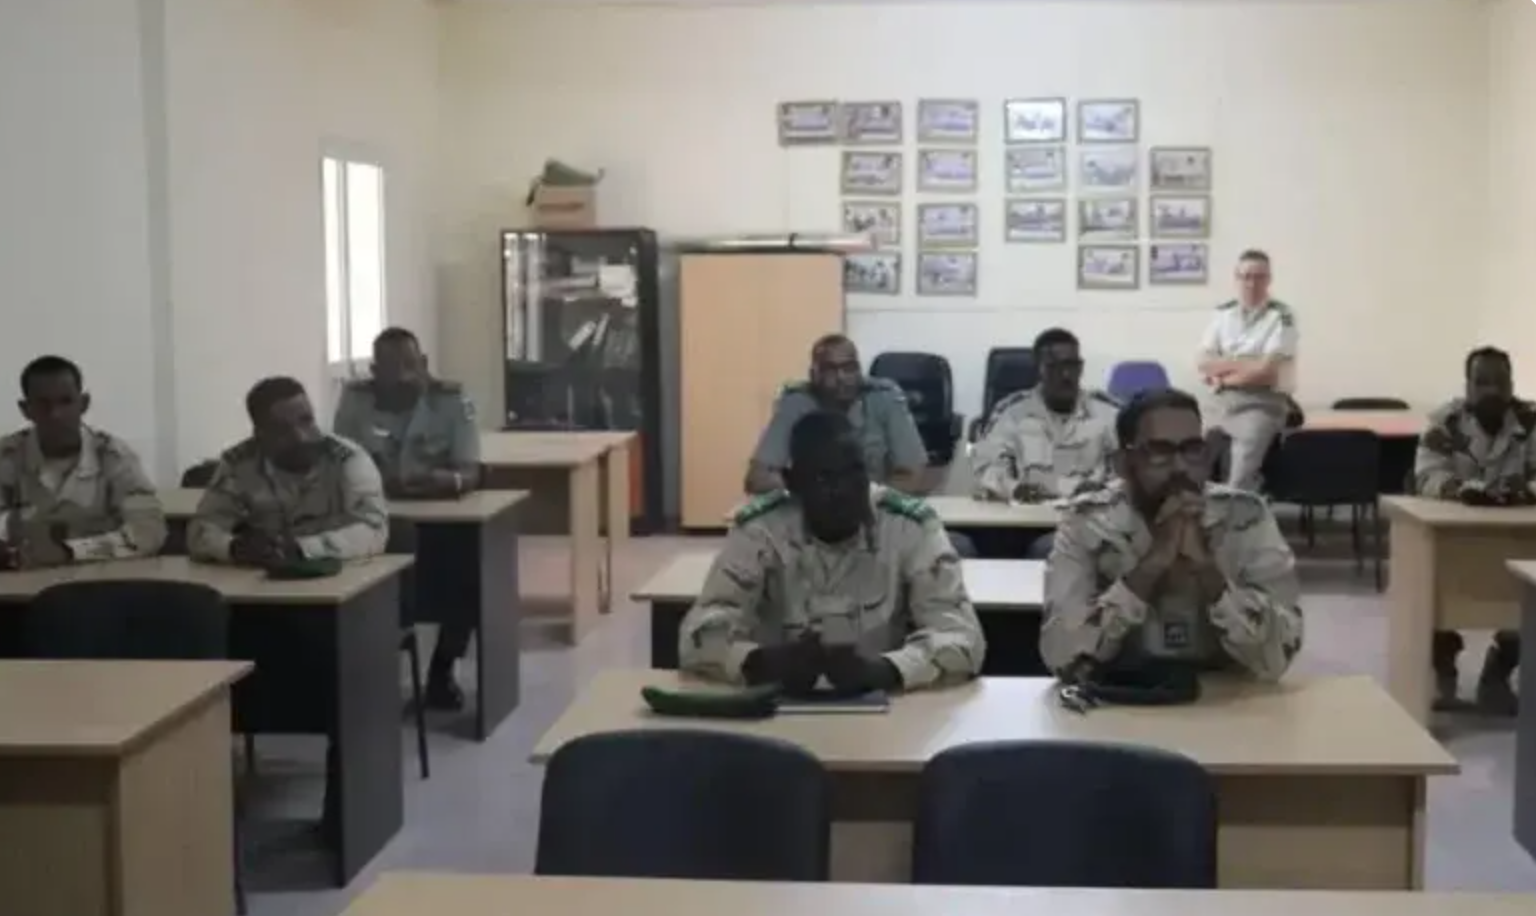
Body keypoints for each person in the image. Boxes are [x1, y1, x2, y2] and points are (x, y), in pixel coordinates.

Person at [680, 410, 986, 692]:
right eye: (824, 478)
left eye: (854, 473)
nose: (844, 490)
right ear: (792, 484)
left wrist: (887, 669)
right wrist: (758, 662)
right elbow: (698, 635)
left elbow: (964, 639)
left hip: (886, 709)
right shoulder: (760, 530)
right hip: (776, 704)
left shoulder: (909, 527)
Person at [1040, 388, 1303, 680]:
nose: (1180, 467)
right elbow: (1062, 656)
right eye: (1159, 452)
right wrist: (1150, 567)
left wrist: (1207, 571)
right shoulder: (1085, 521)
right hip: (1123, 701)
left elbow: (1279, 654)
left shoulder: (1246, 516)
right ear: (1123, 464)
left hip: (1228, 702)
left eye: (1192, 449)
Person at [333, 327, 481, 710]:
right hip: (371, 516)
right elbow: (338, 463)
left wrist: (437, 482)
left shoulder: (450, 400)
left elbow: (471, 470)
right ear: (372, 370)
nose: (401, 376)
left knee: (467, 566)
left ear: (425, 365)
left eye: (410, 366)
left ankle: (441, 670)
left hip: (439, 520)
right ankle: (362, 673)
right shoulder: (356, 401)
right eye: (389, 367)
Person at [1415, 346, 1532, 715]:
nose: (1492, 391)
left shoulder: (1530, 422)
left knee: (1528, 600)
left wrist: (1524, 492)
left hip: (1518, 538)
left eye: (1500, 382)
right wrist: (1457, 490)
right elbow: (1427, 475)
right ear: (1467, 386)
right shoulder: (1445, 422)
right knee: (1429, 589)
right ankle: (1442, 669)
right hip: (1454, 537)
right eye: (1482, 382)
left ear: (1512, 383)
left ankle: (1498, 674)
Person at [188, 376, 388, 565]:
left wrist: (303, 548)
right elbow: (200, 531)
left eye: (306, 421)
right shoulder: (239, 464)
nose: (301, 437)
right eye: (282, 429)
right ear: (260, 435)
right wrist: (234, 548)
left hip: (336, 577)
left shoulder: (346, 459)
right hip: (261, 583)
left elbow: (374, 530)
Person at [0, 355, 166, 568]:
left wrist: (68, 551)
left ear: (84, 403)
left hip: (98, 581)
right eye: (43, 404)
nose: (55, 414)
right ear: (25, 409)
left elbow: (148, 533)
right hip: (18, 584)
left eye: (66, 401)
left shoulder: (114, 457)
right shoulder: (7, 457)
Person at [971, 328, 1118, 559]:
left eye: (1072, 365)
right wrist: (1014, 488)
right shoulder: (1012, 413)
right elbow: (986, 467)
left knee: (1055, 549)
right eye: (1054, 367)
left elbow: (1129, 471)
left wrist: (1104, 491)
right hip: (1026, 525)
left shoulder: (1108, 415)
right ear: (1039, 369)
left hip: (1091, 522)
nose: (1066, 375)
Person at [745, 334, 928, 496]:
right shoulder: (796, 403)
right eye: (830, 369)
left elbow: (913, 474)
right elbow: (758, 478)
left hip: (875, 509)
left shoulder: (884, 398)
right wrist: (802, 497)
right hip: (812, 512)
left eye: (849, 368)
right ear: (813, 375)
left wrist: (868, 501)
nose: (842, 377)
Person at [1197, 250, 1297, 492]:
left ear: (1269, 279)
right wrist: (1246, 363)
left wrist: (1225, 367)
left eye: (1259, 277)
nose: (1251, 283)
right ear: (1236, 278)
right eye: (1246, 276)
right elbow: (1203, 362)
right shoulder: (1222, 313)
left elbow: (1266, 372)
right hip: (1218, 402)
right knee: (1192, 464)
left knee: (1239, 479)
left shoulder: (1282, 316)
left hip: (1261, 403)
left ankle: (1235, 521)